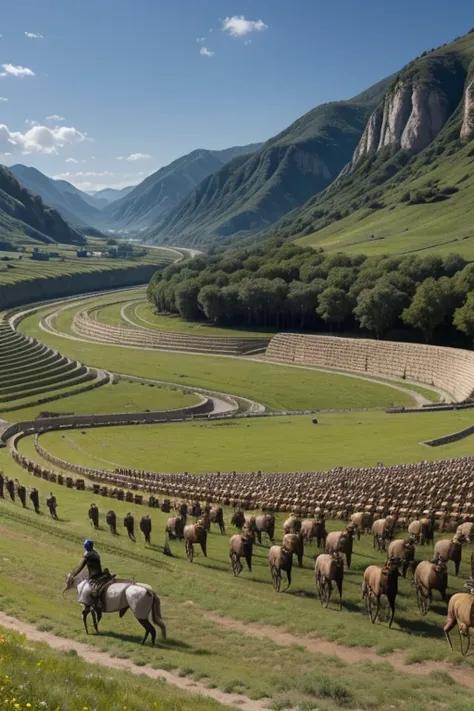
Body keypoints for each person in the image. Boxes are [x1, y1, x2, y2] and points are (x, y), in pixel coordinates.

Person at [70, 540, 113, 612]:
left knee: (91, 591)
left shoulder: (87, 555)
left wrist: (73, 575)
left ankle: (95, 604)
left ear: (86, 546)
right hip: (99, 573)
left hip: (94, 576)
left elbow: (80, 567)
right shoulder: (95, 553)